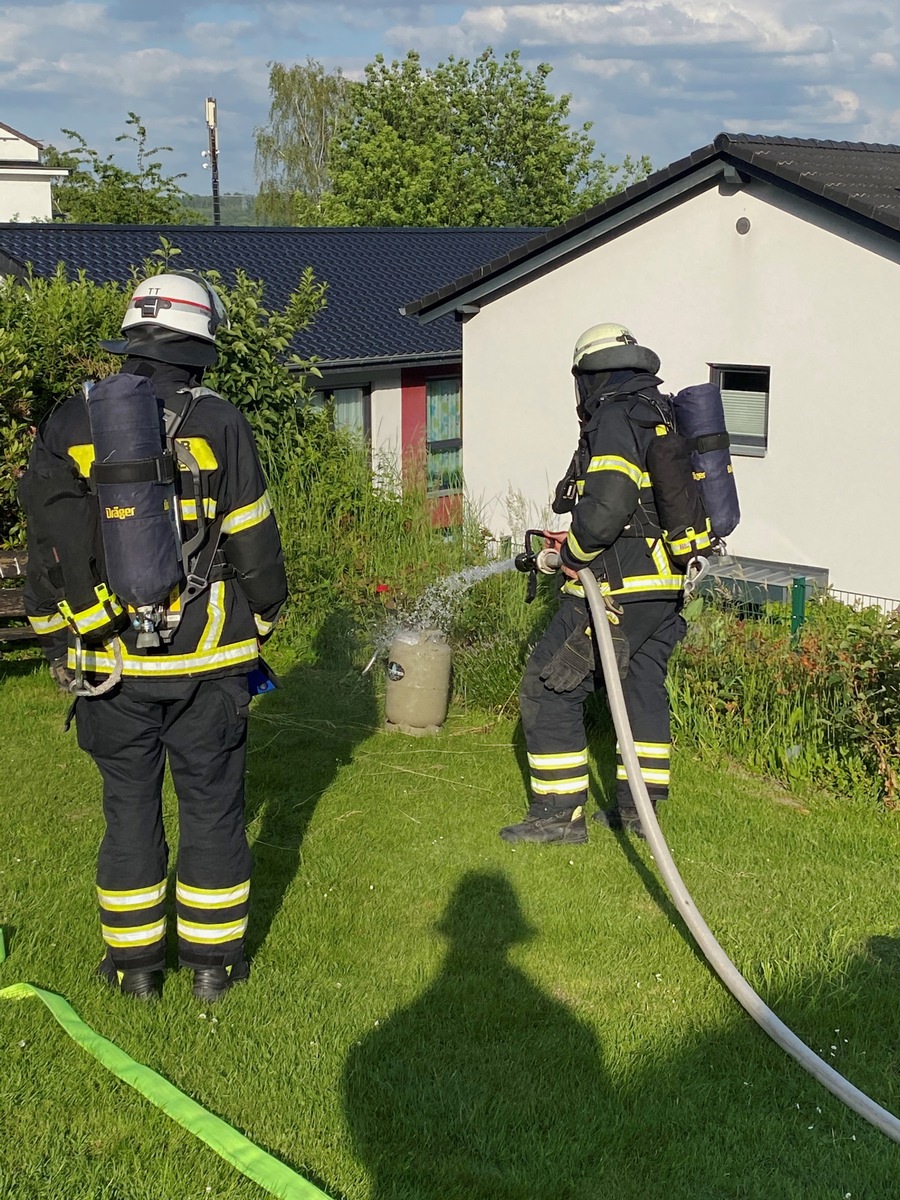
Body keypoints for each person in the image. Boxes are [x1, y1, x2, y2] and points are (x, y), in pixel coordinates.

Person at [20, 272, 288, 1000]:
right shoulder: (221, 419)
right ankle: (213, 968)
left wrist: (60, 638)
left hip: (108, 664)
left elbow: (48, 543)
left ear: (134, 334)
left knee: (128, 809)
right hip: (208, 664)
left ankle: (134, 970)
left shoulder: (74, 418)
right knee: (212, 808)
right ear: (199, 342)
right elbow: (253, 542)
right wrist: (259, 622)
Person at [500, 323, 690, 845]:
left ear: (589, 374)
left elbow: (608, 506)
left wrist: (574, 553)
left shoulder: (613, 416)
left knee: (549, 684)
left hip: (616, 586)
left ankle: (558, 816)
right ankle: (640, 811)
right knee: (640, 687)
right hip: (664, 584)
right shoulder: (660, 410)